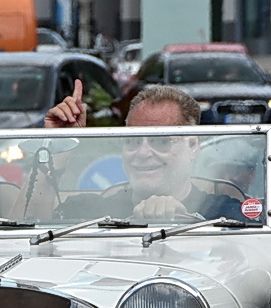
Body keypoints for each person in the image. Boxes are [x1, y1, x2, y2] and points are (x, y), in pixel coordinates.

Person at [42, 83, 243, 221]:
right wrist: (56, 146)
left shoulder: (225, 212)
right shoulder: (90, 211)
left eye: (161, 141)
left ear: (192, 146)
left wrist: (186, 222)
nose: (143, 152)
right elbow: (25, 230)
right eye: (133, 140)